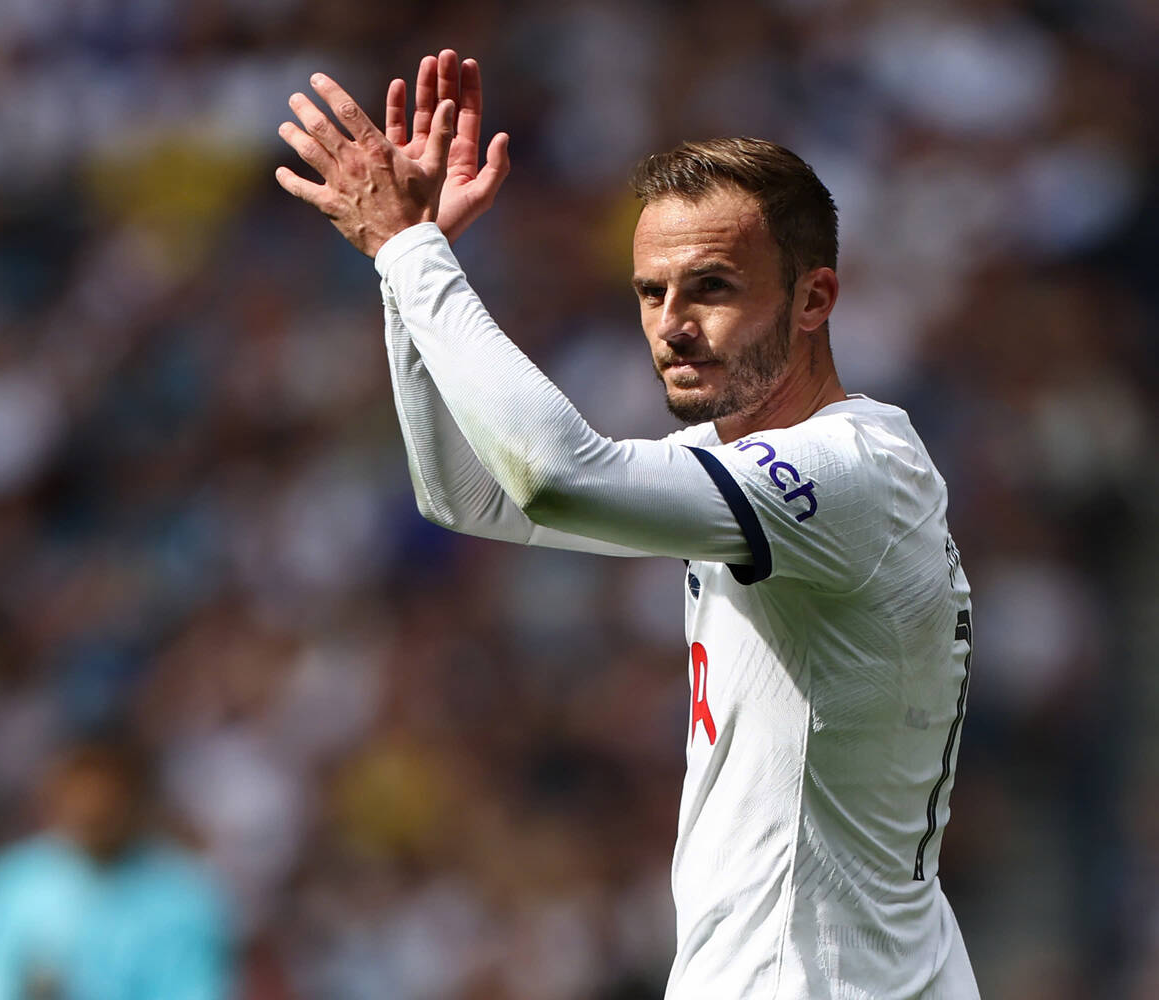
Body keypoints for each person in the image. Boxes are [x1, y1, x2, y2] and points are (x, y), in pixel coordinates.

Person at [276, 49, 979, 999]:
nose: (672, 324)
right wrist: (409, 275)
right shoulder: (754, 482)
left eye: (713, 288)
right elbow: (468, 496)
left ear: (814, 298)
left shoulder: (844, 472)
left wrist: (409, 251)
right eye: (653, 293)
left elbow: (555, 475)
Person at [0, 739, 234, 1000]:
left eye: (106, 803)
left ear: (137, 802)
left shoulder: (183, 898)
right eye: (82, 799)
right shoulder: (10, 882)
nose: (93, 811)